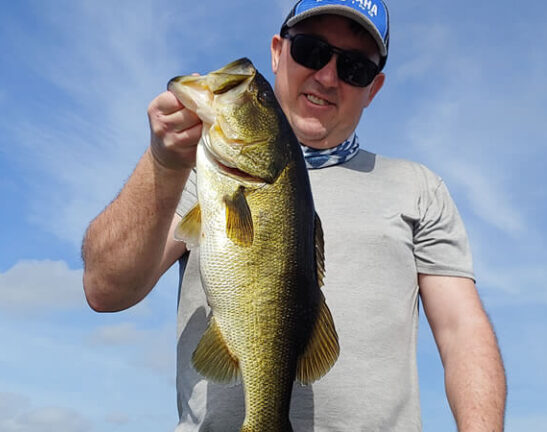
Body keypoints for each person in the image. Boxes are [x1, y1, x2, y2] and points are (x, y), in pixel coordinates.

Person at [81, 0, 506, 430]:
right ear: (277, 52)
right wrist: (163, 165)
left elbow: (461, 331)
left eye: (354, 67)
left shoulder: (421, 189)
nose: (327, 76)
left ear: (373, 89)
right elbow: (105, 290)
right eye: (311, 50)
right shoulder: (195, 175)